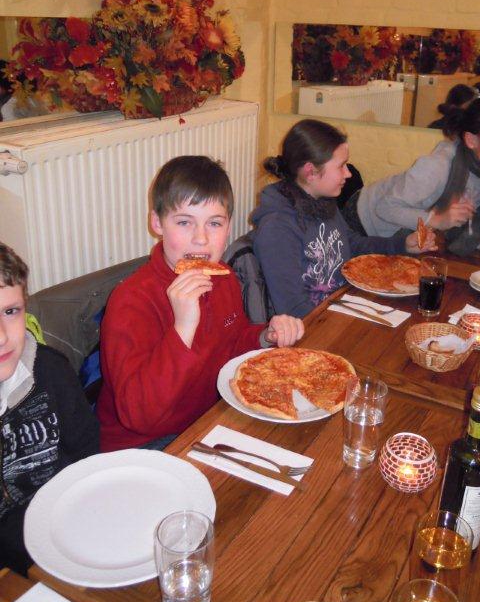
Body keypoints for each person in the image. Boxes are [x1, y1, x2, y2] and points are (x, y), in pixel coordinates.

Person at [97, 156, 304, 452]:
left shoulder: (224, 278)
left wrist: (264, 336)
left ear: (229, 227)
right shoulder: (130, 301)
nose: (201, 239)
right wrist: (183, 328)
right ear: (157, 223)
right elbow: (139, 416)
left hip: (205, 421)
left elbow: (230, 345)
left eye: (214, 223)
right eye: (184, 222)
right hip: (144, 444)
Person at [251, 119, 436, 318]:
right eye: (341, 166)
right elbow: (294, 309)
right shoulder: (277, 227)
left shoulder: (321, 201)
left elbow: (352, 244)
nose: (348, 173)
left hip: (342, 302)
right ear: (310, 172)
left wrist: (402, 245)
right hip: (316, 323)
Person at [0, 243, 99, 574]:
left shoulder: (51, 369)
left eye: (10, 312)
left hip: (72, 529)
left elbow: (87, 454)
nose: (2, 337)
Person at [346, 97, 480, 257]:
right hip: (363, 220)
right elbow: (385, 207)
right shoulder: (438, 166)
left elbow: (462, 221)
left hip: (405, 231)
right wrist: (438, 220)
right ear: (471, 140)